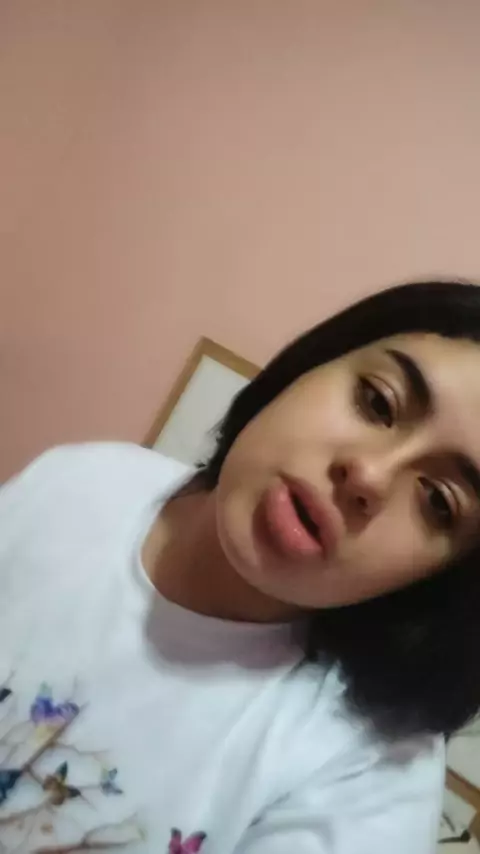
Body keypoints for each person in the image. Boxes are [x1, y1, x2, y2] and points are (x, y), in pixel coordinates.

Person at [1, 281, 479, 854]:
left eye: (439, 502)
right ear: (311, 366)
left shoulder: (368, 783)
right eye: (378, 402)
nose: (370, 475)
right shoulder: (84, 478)